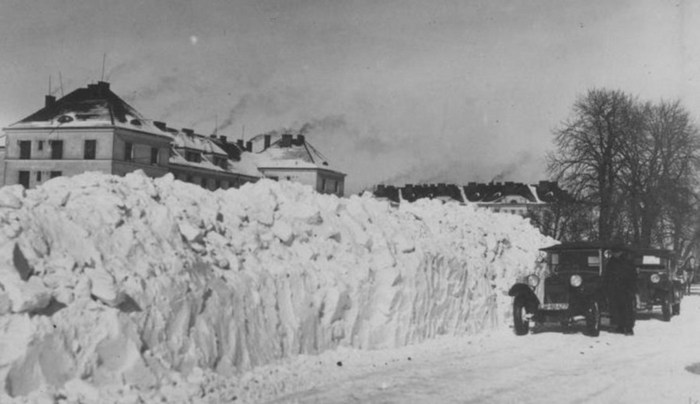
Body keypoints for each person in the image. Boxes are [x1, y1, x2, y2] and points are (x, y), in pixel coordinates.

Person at [604, 249, 637, 335]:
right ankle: (619, 326)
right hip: (614, 289)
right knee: (616, 308)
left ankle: (629, 328)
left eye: (617, 252)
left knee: (627, 308)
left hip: (626, 289)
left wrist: (632, 289)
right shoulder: (611, 262)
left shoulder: (627, 261)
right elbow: (607, 275)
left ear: (621, 252)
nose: (615, 254)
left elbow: (633, 276)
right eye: (614, 252)